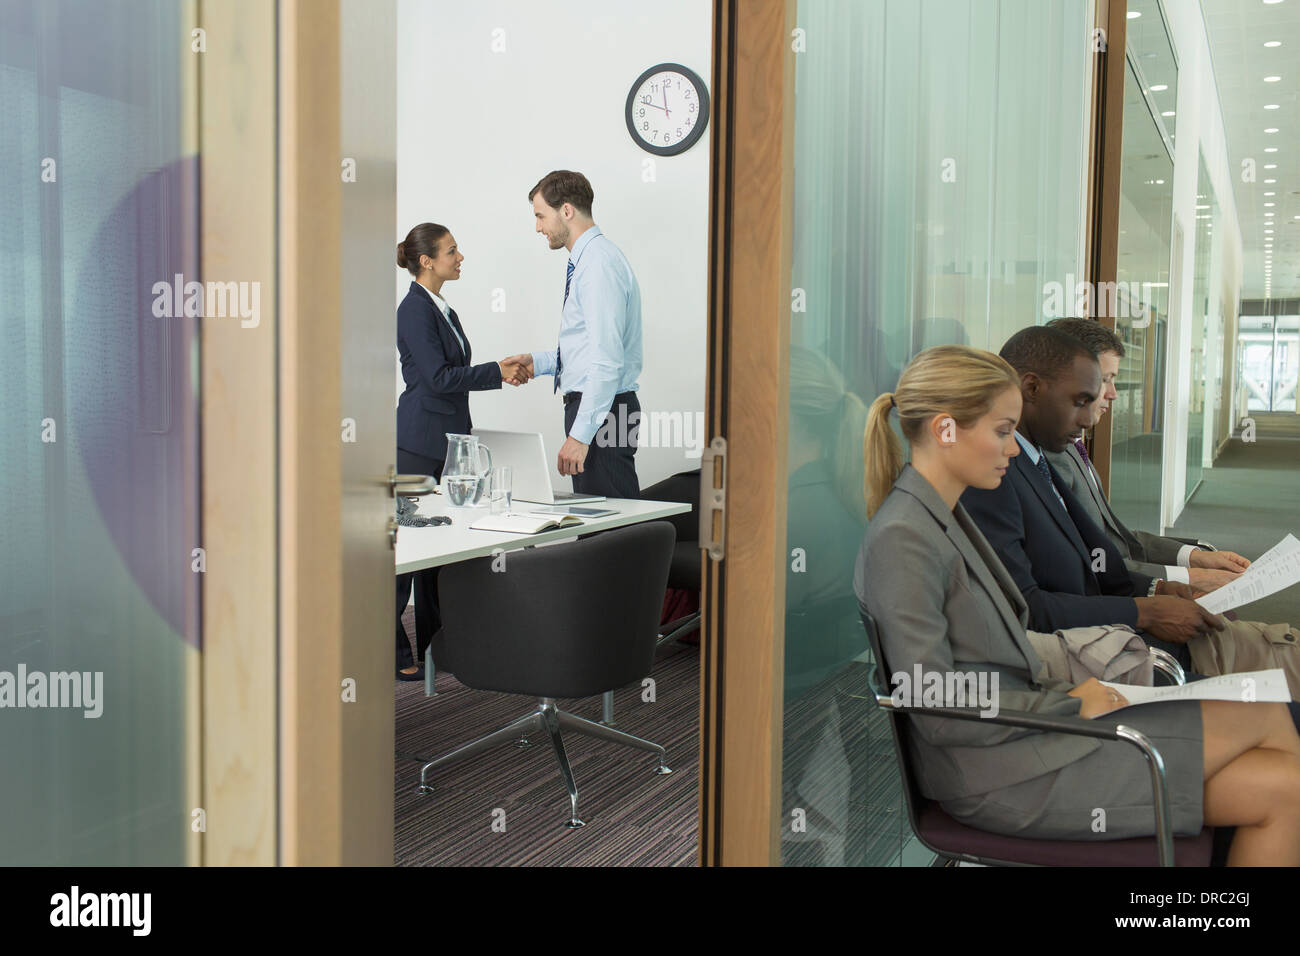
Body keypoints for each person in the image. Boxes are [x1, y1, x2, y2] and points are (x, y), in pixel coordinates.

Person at [857, 344, 1300, 863]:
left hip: (1028, 740)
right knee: (1271, 718)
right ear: (944, 430)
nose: (1015, 449)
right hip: (1005, 772)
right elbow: (933, 701)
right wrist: (1069, 703)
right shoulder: (904, 538)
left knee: (1284, 785)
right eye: (1002, 432)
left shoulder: (937, 517)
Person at [959, 326, 1224, 663]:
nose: (1088, 418)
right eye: (1080, 400)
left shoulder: (1039, 455)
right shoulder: (995, 473)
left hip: (1107, 632)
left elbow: (1094, 554)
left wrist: (1154, 589)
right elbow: (1025, 606)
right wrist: (1145, 610)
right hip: (1085, 651)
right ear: (1032, 388)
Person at [394, 222, 529, 680]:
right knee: (403, 551)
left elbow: (452, 375)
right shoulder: (414, 310)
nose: (461, 257)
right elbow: (437, 379)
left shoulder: (441, 307)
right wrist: (497, 371)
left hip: (448, 440)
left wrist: (498, 370)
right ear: (427, 261)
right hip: (417, 443)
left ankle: (438, 644)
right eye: (452, 251)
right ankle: (389, 649)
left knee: (442, 548)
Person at [1043, 317, 1249, 592]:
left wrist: (1194, 557)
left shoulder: (1071, 446)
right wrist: (1184, 578)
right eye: (1105, 380)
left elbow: (1115, 537)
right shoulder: (1049, 456)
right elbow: (1087, 561)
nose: (1113, 394)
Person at [505, 170, 643, 498]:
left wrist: (581, 435)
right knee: (601, 533)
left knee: (610, 535)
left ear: (566, 211)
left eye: (540, 216)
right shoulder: (591, 261)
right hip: (601, 408)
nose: (538, 226)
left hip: (602, 411)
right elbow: (588, 347)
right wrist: (538, 363)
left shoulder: (597, 265)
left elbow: (606, 360)